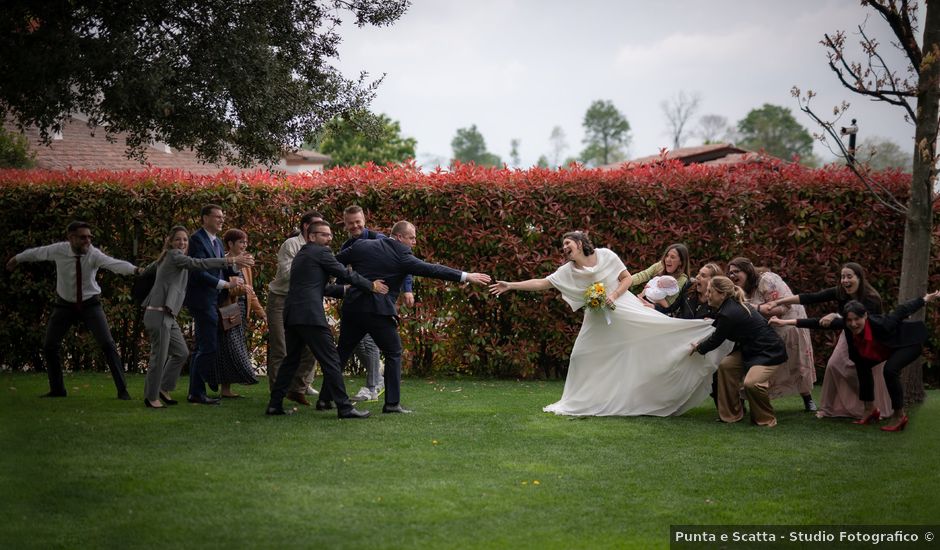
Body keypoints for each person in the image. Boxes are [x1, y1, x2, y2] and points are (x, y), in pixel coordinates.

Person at [490, 231, 732, 417]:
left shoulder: (606, 255)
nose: (564, 248)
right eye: (562, 245)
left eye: (568, 243)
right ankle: (582, 401)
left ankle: (697, 339)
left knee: (655, 334)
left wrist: (613, 295)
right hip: (597, 320)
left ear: (581, 242)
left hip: (624, 309)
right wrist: (511, 285)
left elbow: (626, 279)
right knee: (580, 357)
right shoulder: (568, 270)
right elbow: (543, 283)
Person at [329, 220, 491, 414]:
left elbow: (334, 262)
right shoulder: (401, 254)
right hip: (377, 311)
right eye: (411, 238)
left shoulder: (362, 245)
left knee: (342, 353)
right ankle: (392, 404)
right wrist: (466, 276)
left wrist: (344, 284)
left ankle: (324, 400)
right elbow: (433, 269)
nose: (414, 242)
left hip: (353, 307)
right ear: (399, 237)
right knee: (394, 352)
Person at [266, 220, 389, 418]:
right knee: (332, 360)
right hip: (310, 316)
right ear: (312, 236)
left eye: (330, 234)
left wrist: (343, 290)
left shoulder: (302, 255)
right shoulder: (320, 252)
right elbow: (344, 273)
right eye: (324, 234)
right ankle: (344, 407)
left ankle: (274, 405)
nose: (329, 238)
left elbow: (316, 287)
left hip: (293, 314)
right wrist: (370, 285)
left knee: (291, 361)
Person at [7, 221, 141, 399]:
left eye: (89, 237)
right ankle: (57, 390)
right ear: (71, 238)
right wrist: (17, 258)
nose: (88, 241)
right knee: (49, 346)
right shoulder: (59, 250)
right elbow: (37, 253)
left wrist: (136, 270)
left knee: (108, 344)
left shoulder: (93, 253)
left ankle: (122, 390)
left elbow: (114, 264)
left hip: (90, 304)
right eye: (83, 237)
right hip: (64, 305)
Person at [771, 290, 940, 431]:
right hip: (885, 350)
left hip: (908, 344)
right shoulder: (847, 325)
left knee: (890, 370)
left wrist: (925, 299)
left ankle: (899, 416)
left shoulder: (881, 323)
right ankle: (869, 410)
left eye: (857, 319)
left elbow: (902, 310)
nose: (853, 324)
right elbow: (817, 323)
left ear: (865, 316)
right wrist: (783, 322)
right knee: (862, 365)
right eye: (849, 320)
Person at [139, 226, 254, 408]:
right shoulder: (174, 256)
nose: (182, 243)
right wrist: (229, 260)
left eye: (185, 240)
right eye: (178, 240)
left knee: (181, 353)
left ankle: (164, 387)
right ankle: (151, 397)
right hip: (158, 312)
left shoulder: (169, 259)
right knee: (158, 357)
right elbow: (199, 264)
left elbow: (145, 271)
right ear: (170, 241)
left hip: (168, 314)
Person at [765, 262, 893, 419]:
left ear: (859, 278)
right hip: (848, 335)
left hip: (869, 339)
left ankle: (872, 407)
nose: (845, 280)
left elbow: (863, 324)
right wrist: (779, 302)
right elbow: (811, 298)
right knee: (833, 366)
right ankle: (828, 408)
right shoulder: (840, 292)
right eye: (842, 277)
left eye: (849, 276)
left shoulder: (871, 299)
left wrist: (836, 316)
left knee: (867, 373)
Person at [692, 276, 788, 427]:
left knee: (752, 383)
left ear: (722, 294)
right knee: (726, 366)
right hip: (750, 349)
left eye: (710, 291)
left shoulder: (729, 312)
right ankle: (731, 415)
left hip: (769, 351)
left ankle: (766, 419)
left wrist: (698, 348)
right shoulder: (728, 308)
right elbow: (719, 326)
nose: (707, 294)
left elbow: (716, 339)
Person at [341, 205, 415, 402]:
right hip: (358, 301)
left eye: (358, 222)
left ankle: (373, 385)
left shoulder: (380, 239)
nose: (355, 226)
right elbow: (340, 271)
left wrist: (407, 289)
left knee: (371, 343)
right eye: (351, 223)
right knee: (353, 345)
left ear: (364, 220)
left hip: (380, 302)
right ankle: (333, 394)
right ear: (345, 224)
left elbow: (405, 262)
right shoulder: (347, 246)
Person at [727, 257, 817, 412]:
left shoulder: (766, 280)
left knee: (796, 363)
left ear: (748, 270)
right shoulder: (741, 290)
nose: (732, 276)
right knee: (767, 366)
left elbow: (783, 307)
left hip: (789, 325)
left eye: (736, 271)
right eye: (730, 273)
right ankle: (745, 400)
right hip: (768, 331)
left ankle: (807, 399)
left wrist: (753, 307)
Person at [183, 204, 245, 405]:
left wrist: (235, 271)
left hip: (213, 300)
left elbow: (221, 267)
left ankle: (196, 391)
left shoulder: (217, 241)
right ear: (204, 218)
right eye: (216, 216)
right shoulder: (196, 240)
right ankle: (197, 392)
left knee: (204, 346)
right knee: (207, 346)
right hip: (202, 300)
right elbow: (198, 272)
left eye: (222, 216)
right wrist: (225, 284)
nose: (221, 220)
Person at [266, 211, 323, 406]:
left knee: (310, 347)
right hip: (280, 300)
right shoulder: (291, 245)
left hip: (304, 301)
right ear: (306, 226)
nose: (322, 229)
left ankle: (298, 388)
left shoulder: (320, 247)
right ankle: (277, 394)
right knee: (280, 348)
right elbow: (287, 273)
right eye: (317, 224)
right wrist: (314, 274)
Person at [212, 228, 264, 399]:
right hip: (228, 310)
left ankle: (226, 390)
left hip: (241, 311)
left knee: (231, 347)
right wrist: (243, 289)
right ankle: (246, 376)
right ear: (230, 244)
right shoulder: (225, 262)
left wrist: (261, 312)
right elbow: (229, 290)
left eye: (245, 242)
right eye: (241, 242)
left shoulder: (246, 264)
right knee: (230, 348)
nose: (244, 245)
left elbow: (251, 292)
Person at [630, 243, 691, 309]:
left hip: (658, 313)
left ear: (680, 262)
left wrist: (651, 293)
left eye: (672, 257)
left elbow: (669, 304)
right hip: (643, 302)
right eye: (667, 256)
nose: (667, 259)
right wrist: (626, 281)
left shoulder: (683, 279)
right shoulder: (660, 265)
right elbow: (643, 275)